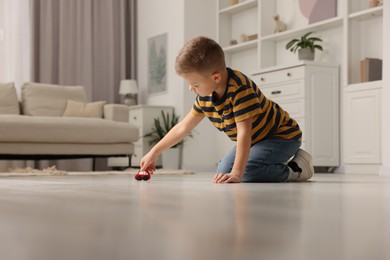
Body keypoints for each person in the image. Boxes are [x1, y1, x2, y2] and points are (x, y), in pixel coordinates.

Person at [140, 36, 314, 183]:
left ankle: (296, 169)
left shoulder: (240, 89)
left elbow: (244, 133)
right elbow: (182, 128)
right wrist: (154, 153)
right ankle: (263, 162)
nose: (191, 89)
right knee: (223, 171)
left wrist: (238, 173)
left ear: (215, 77)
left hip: (281, 137)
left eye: (194, 84)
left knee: (246, 171)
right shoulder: (204, 97)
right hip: (256, 141)